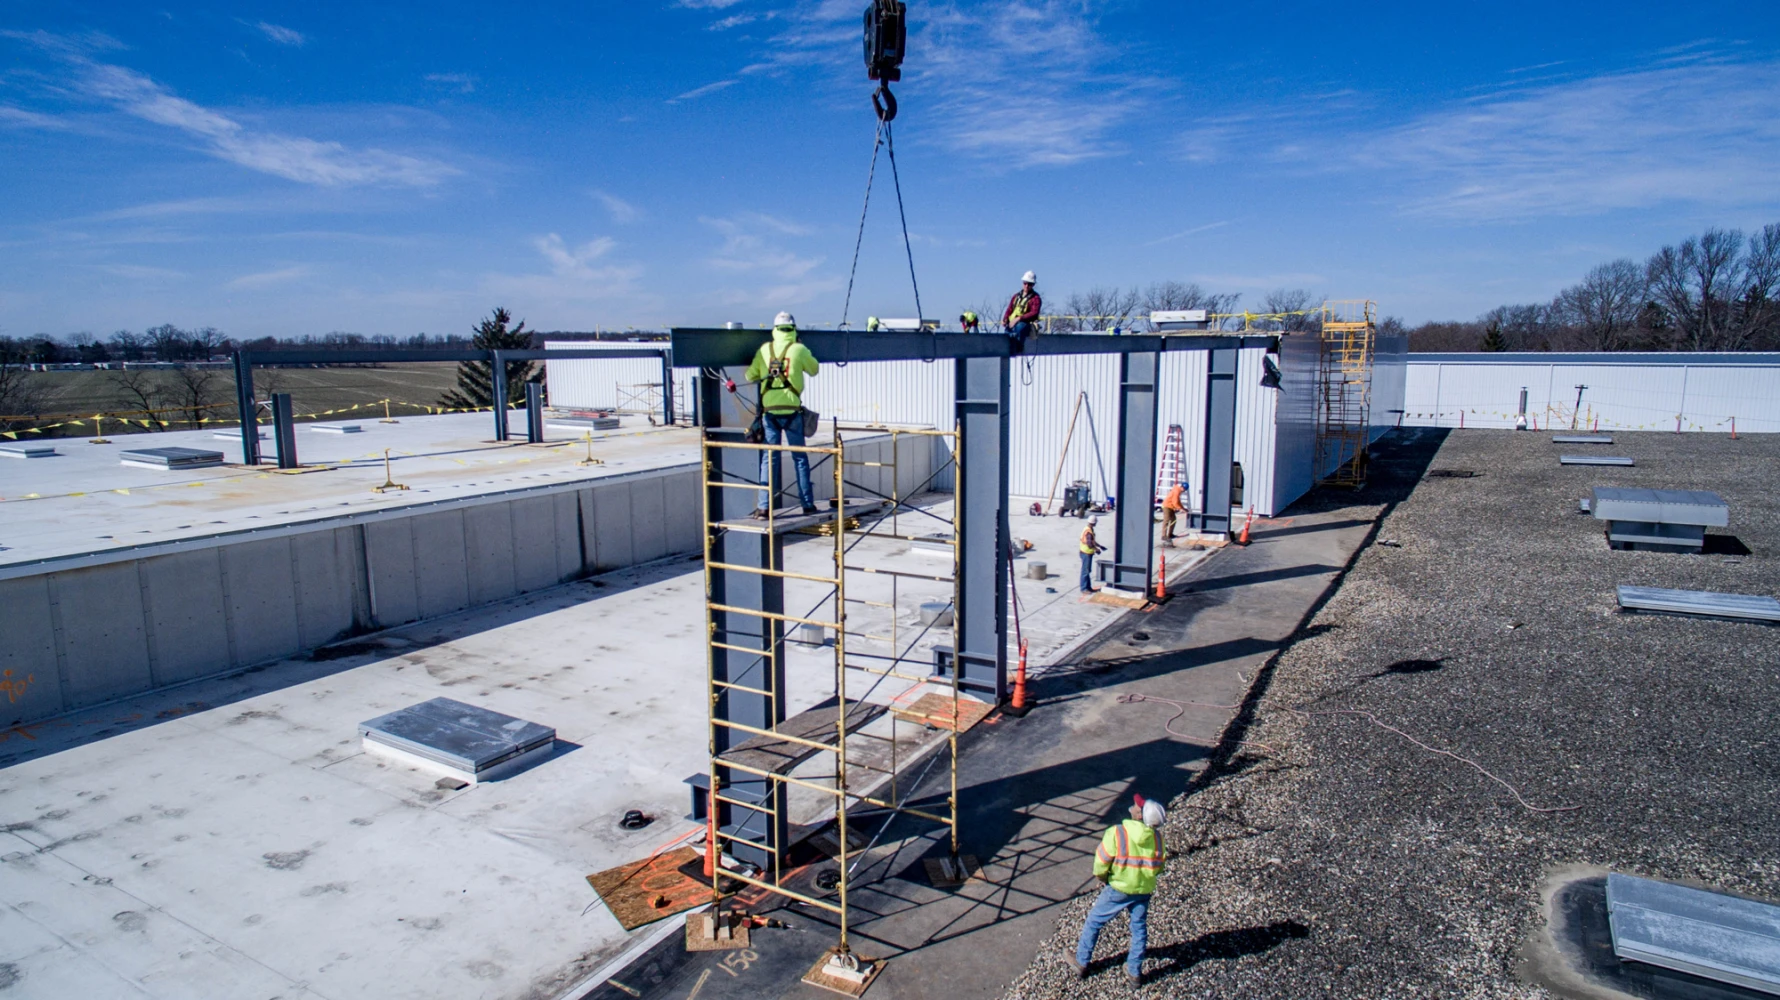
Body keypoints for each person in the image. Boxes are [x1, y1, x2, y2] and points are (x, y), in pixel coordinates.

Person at [1072, 794, 1167, 984]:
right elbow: (1159, 868)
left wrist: (1104, 878)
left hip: (1118, 889)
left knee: (1094, 921)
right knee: (1139, 928)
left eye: (1137, 806)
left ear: (1139, 816)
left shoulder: (1117, 833)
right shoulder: (1157, 839)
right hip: (1142, 891)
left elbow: (1101, 863)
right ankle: (1134, 972)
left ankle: (1081, 961)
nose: (1133, 805)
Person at [745, 312, 819, 518]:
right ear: (793, 329)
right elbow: (814, 369)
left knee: (769, 460)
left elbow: (750, 375)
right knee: (800, 459)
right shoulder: (799, 349)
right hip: (792, 412)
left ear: (775, 329)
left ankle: (763, 507)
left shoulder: (764, 350)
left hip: (769, 414)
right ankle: (807, 504)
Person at [1002, 271, 1042, 352]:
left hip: (1025, 324)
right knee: (1007, 336)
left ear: (1033, 285)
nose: (1027, 286)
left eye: (1029, 284)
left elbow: (1034, 312)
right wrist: (1005, 319)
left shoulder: (1036, 298)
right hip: (1011, 324)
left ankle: (1018, 349)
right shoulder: (1016, 296)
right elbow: (1010, 309)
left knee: (1020, 328)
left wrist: (1019, 318)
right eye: (1025, 283)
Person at [1079, 516, 1106, 593]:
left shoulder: (1088, 529)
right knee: (1085, 571)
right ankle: (1084, 588)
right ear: (1094, 523)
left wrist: (1099, 546)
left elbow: (1092, 541)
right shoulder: (1088, 532)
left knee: (1087, 570)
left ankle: (1088, 587)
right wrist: (1096, 549)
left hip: (1086, 553)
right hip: (1086, 553)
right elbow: (1089, 543)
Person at [1160, 481, 1187, 547]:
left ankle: (1170, 534)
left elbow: (1178, 501)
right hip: (1166, 506)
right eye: (1184, 489)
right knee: (1166, 520)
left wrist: (1183, 508)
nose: (1184, 491)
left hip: (1171, 507)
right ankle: (1163, 535)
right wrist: (1180, 509)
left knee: (1173, 520)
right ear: (1182, 487)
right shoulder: (1176, 491)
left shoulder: (1178, 491)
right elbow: (1175, 502)